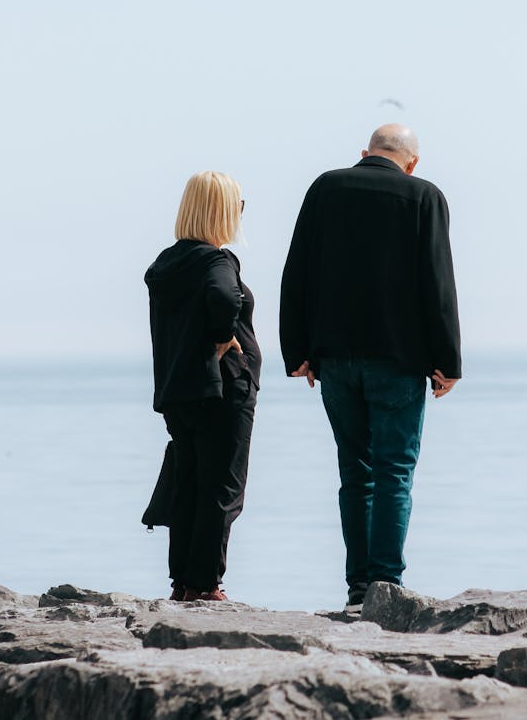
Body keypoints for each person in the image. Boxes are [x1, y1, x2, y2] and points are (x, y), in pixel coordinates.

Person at [279, 125, 461, 607]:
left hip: (334, 358)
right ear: (412, 162)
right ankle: (386, 585)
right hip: (399, 360)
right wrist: (447, 360)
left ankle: (358, 590)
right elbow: (437, 282)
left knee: (355, 472)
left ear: (364, 153)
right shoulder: (424, 196)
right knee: (394, 471)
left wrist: (295, 351)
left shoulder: (325, 187)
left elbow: (296, 270)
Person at [144, 171, 260, 602]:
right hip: (225, 386)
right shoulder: (217, 261)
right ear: (222, 211)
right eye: (239, 206)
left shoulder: (166, 263)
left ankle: (183, 582)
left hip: (179, 390)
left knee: (189, 482)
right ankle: (208, 584)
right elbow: (224, 298)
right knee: (224, 488)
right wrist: (224, 337)